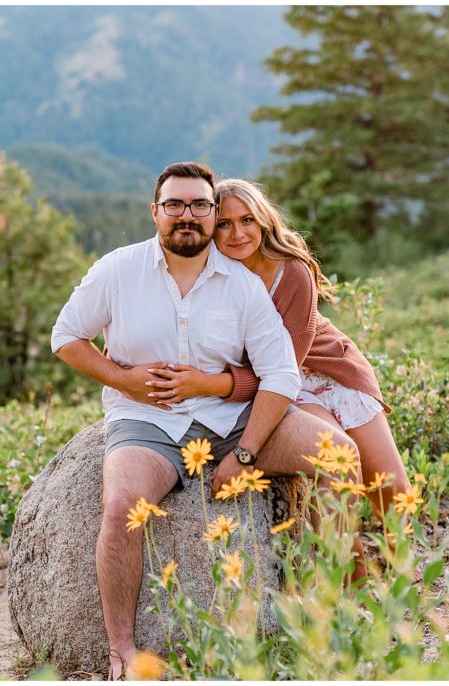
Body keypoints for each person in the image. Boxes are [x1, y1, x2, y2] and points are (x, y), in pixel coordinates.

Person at [51, 162, 363, 680]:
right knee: (123, 504)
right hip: (148, 421)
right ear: (156, 213)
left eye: (199, 205)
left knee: (339, 456)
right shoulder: (117, 270)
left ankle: (323, 605)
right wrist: (123, 380)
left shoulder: (240, 284)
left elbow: (281, 373)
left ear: (212, 213)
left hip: (234, 421)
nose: (187, 216)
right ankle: (122, 651)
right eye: (175, 205)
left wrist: (245, 453)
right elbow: (66, 337)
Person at [142, 178, 412, 523]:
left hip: (322, 372)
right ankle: (350, 572)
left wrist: (215, 384)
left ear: (263, 221)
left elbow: (285, 366)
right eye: (224, 224)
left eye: (247, 220)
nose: (237, 233)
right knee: (336, 463)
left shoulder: (292, 271)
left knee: (394, 489)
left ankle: (405, 571)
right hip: (285, 392)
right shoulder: (210, 276)